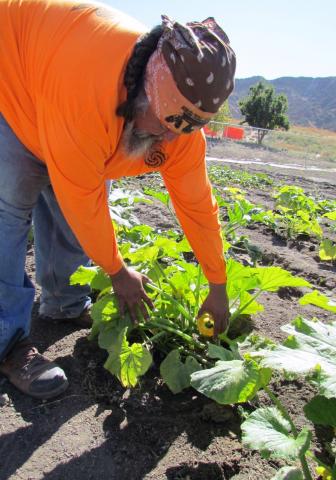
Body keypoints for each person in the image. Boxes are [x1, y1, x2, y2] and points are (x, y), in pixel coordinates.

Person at [0, 0, 236, 399]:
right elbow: (81, 196)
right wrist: (117, 271)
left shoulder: (176, 132)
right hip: (13, 81)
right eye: (162, 125)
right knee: (9, 212)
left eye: (180, 131)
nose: (166, 141)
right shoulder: (86, 87)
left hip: (63, 97)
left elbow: (197, 204)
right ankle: (8, 346)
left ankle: (64, 304)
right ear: (143, 87)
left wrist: (218, 282)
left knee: (71, 204)